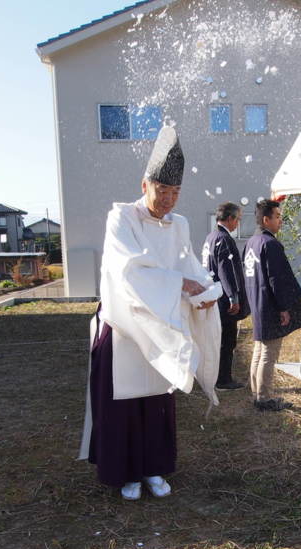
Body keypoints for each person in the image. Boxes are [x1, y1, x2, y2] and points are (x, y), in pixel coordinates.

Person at [82, 126, 222, 501]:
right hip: (125, 324)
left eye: (175, 192)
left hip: (163, 323)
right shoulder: (121, 219)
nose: (169, 200)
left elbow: (188, 265)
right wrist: (180, 285)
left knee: (158, 399)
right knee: (125, 402)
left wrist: (203, 292)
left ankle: (154, 468)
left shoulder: (180, 224)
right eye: (163, 190)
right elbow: (129, 270)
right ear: (144, 184)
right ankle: (126, 472)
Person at [243, 199, 301, 411]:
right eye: (277, 217)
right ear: (266, 219)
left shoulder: (252, 242)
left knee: (260, 350)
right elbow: (276, 279)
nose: (281, 221)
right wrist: (283, 307)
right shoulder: (270, 244)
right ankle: (264, 398)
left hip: (257, 301)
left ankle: (257, 393)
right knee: (268, 354)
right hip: (270, 305)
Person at [203, 202, 249, 391]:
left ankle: (214, 376)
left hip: (213, 293)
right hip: (223, 298)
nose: (238, 223)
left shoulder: (211, 237)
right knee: (226, 340)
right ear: (229, 218)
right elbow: (226, 270)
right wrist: (233, 297)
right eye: (237, 219)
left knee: (216, 339)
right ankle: (223, 379)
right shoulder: (224, 239)